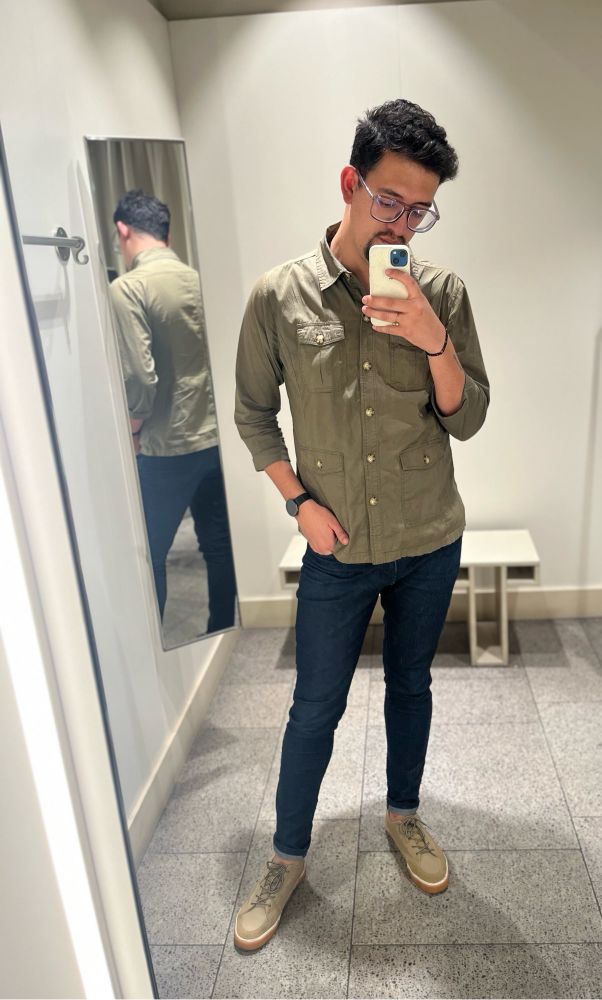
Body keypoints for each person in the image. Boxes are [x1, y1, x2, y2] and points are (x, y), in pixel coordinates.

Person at [233, 99, 489, 951]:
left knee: (412, 686)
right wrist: (297, 504)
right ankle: (286, 855)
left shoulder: (441, 293)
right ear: (350, 182)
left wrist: (433, 339)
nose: (402, 224)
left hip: (428, 538)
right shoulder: (278, 296)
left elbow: (467, 417)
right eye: (389, 201)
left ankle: (403, 814)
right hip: (336, 546)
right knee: (314, 708)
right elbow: (253, 415)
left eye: (421, 211)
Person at [109, 190, 236, 634]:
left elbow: (140, 378)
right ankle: (220, 629)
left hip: (167, 446)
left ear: (123, 230)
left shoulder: (128, 288)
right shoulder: (199, 279)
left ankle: (155, 650)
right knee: (219, 548)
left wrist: (133, 429)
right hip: (215, 439)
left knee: (151, 554)